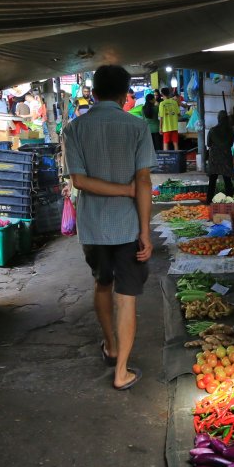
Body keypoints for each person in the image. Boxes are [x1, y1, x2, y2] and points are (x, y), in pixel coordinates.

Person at [60, 65, 155, 391]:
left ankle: (111, 346)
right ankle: (122, 372)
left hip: (93, 228)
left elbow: (80, 181)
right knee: (126, 297)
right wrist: (145, 230)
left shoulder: (74, 129)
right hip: (128, 227)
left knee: (102, 284)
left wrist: (122, 190)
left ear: (94, 93)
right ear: (124, 95)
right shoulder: (137, 127)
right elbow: (142, 181)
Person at [205, 110, 234, 198]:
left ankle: (209, 200)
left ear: (218, 119)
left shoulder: (212, 130)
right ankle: (230, 199)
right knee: (227, 180)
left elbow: (208, 144)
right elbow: (230, 144)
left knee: (212, 180)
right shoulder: (230, 131)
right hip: (226, 157)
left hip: (214, 158)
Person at [159, 87, 181, 151]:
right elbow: (179, 114)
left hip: (166, 128)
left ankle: (166, 159)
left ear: (162, 94)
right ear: (169, 93)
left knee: (165, 144)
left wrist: (160, 128)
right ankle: (177, 159)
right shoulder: (174, 102)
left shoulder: (162, 104)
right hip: (174, 127)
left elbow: (161, 117)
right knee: (175, 144)